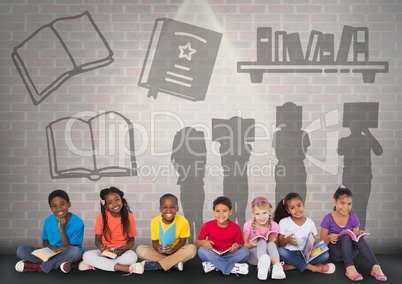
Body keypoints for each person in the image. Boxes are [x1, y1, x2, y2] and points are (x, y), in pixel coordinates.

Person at [320, 185, 387, 281]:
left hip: (350, 252)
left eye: (349, 204)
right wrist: (329, 238)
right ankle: (349, 267)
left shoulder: (353, 218)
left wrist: (359, 233)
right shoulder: (328, 219)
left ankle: (375, 266)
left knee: (358, 237)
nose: (346, 207)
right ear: (335, 201)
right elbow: (321, 245)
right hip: (336, 253)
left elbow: (355, 239)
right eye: (342, 203)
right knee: (346, 235)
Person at [15, 189, 84, 273]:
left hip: (67, 251)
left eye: (62, 204)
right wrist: (53, 249)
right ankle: (60, 263)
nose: (59, 208)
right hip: (51, 251)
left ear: (68, 204)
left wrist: (62, 229)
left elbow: (68, 248)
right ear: (50, 208)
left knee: (75, 252)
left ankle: (41, 266)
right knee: (21, 250)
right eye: (54, 206)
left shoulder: (78, 223)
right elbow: (45, 241)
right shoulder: (48, 220)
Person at [78, 186, 143, 275]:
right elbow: (97, 240)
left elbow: (131, 240)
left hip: (121, 252)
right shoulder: (101, 217)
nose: (115, 204)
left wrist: (126, 248)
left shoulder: (129, 217)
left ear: (121, 200)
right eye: (110, 202)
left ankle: (97, 265)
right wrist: (102, 249)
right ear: (106, 205)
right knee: (86, 255)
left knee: (132, 257)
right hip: (106, 251)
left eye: (117, 200)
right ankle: (126, 268)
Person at [273, 192, 335, 275]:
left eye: (299, 205)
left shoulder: (310, 223)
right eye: (292, 208)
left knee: (325, 255)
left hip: (305, 255)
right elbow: (279, 244)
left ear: (303, 205)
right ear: (288, 210)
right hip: (290, 253)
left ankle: (292, 266)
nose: (297, 210)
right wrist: (287, 240)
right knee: (280, 251)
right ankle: (313, 268)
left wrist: (312, 242)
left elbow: (313, 245)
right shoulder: (284, 222)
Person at [136, 193, 196, 271]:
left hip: (176, 252)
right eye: (165, 207)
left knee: (192, 248)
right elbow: (154, 242)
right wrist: (157, 248)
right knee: (140, 250)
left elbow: (182, 242)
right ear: (160, 209)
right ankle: (174, 263)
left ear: (177, 208)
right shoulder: (155, 221)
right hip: (160, 252)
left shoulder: (183, 221)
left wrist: (173, 249)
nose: (169, 210)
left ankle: (159, 265)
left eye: (172, 207)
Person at [194, 196, 250, 276]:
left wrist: (236, 246)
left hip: (229, 254)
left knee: (246, 252)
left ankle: (214, 265)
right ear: (214, 212)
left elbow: (240, 244)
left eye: (224, 211)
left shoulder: (235, 227)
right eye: (217, 211)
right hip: (213, 253)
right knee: (201, 251)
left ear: (230, 211)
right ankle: (231, 267)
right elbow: (196, 243)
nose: (221, 214)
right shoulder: (207, 225)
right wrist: (204, 242)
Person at [243, 196, 285, 280]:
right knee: (261, 241)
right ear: (253, 213)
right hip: (254, 257)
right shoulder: (248, 225)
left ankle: (276, 267)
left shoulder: (274, 226)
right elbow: (244, 244)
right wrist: (251, 244)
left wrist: (274, 240)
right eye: (257, 214)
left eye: (264, 213)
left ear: (269, 212)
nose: (261, 217)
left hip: (270, 259)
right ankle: (262, 264)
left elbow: (275, 248)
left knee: (271, 243)